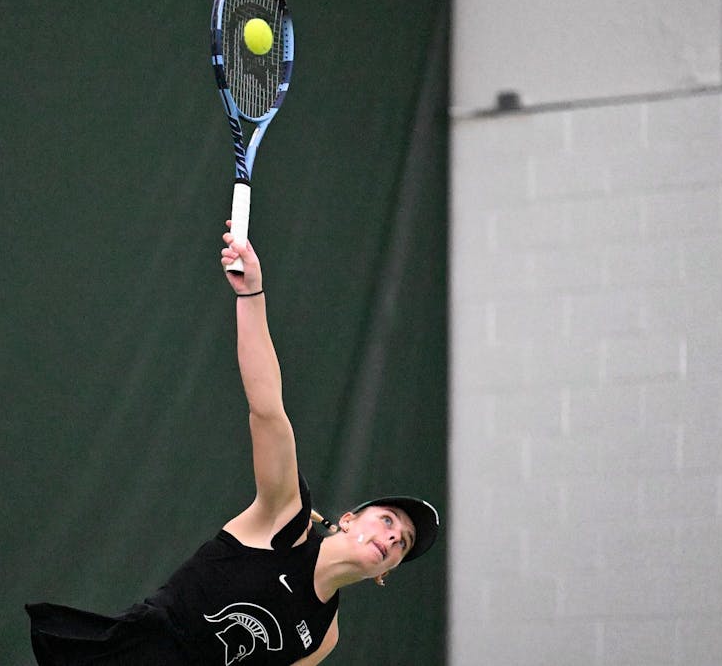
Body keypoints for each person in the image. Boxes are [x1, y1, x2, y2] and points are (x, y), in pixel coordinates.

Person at [25, 224, 439, 665]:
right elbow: (267, 408)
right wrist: (251, 295)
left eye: (403, 543)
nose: (392, 537)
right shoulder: (284, 517)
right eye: (388, 520)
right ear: (349, 520)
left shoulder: (323, 638)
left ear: (385, 573)